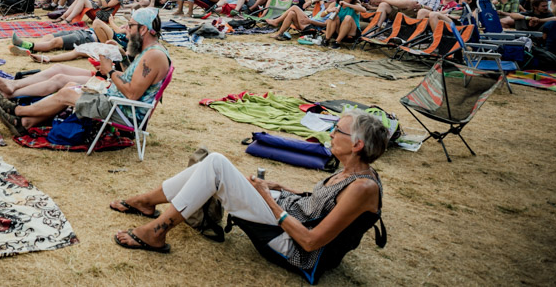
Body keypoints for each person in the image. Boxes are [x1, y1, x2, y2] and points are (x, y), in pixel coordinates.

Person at [108, 109, 387, 278]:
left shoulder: (363, 187)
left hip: (294, 247)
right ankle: (147, 202)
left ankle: (157, 229)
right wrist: (279, 189)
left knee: (216, 163)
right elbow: (321, 205)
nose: (331, 132)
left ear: (357, 144)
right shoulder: (351, 171)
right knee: (212, 166)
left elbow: (311, 241)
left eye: (337, 129)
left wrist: (267, 199)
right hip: (289, 215)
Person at [0, 7, 169, 135]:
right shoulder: (151, 51)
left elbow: (131, 93)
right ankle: (25, 123)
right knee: (69, 84)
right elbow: (134, 80)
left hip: (122, 111)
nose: (127, 30)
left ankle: (17, 112)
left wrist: (109, 72)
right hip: (117, 102)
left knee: (68, 93)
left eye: (131, 26)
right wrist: (122, 56)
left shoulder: (153, 56)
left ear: (143, 29)